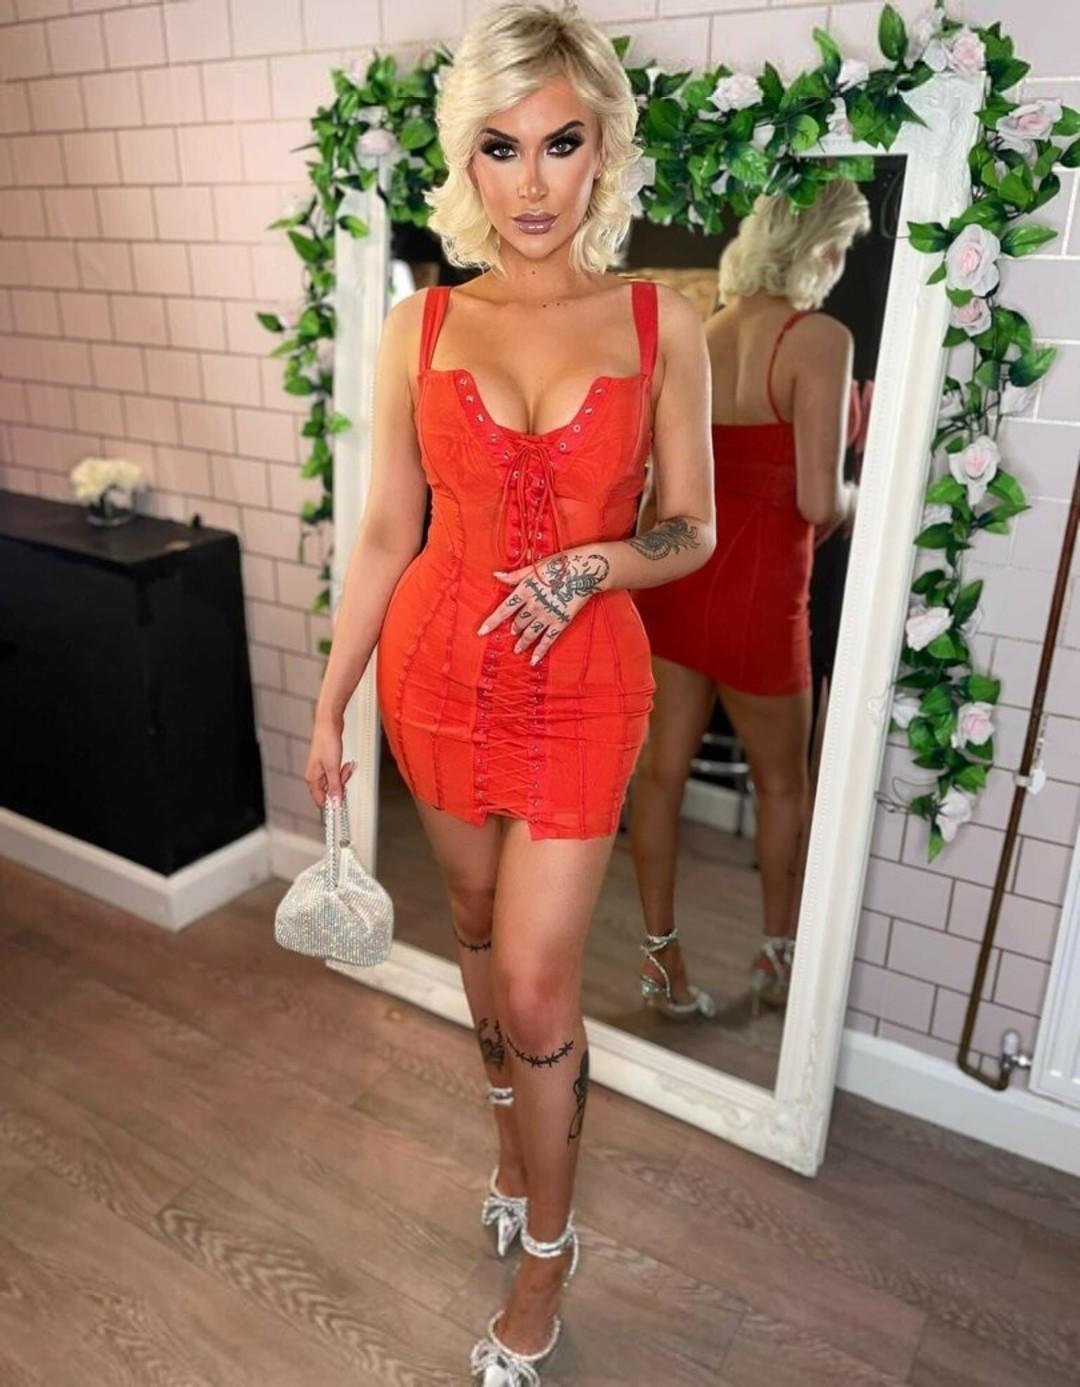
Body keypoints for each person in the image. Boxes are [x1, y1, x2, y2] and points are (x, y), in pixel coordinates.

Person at [302, 3, 715, 1382]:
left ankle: (549, 1245)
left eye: (560, 144)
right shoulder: (419, 324)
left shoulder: (662, 320)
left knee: (537, 982)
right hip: (436, 672)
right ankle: (505, 1138)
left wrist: (598, 561)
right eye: (500, 147)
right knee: (473, 928)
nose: (532, 183)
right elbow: (385, 529)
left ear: (604, 151)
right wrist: (331, 700)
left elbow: (693, 529)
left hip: (585, 684)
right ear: (465, 158)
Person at [630, 180, 869, 1022]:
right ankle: (775, 958)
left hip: (679, 586)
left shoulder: (698, 330)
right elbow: (816, 501)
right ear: (821, 248)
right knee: (783, 786)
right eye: (843, 247)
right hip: (764, 599)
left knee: (658, 775)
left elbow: (660, 485)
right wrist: (862, 492)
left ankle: (660, 959)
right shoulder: (820, 339)